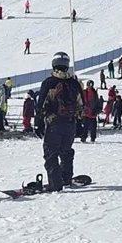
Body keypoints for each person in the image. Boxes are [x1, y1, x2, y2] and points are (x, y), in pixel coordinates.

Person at [35, 52, 82, 191]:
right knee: (66, 151)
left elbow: (40, 105)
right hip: (70, 123)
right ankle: (66, 178)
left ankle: (55, 183)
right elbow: (81, 105)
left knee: (51, 153)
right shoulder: (74, 83)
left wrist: (38, 123)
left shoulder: (49, 83)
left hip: (54, 123)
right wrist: (80, 123)